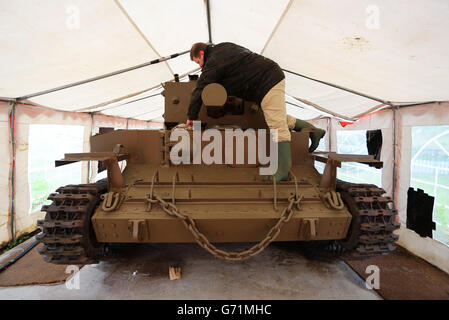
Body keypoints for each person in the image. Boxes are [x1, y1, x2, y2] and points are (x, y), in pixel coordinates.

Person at [187, 42, 323, 181]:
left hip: (267, 80)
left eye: (198, 62)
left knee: (276, 125)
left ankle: (282, 170)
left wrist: (191, 115)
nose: (200, 66)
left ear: (202, 53)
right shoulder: (223, 48)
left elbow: (202, 86)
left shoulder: (213, 60)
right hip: (261, 83)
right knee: (271, 116)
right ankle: (311, 130)